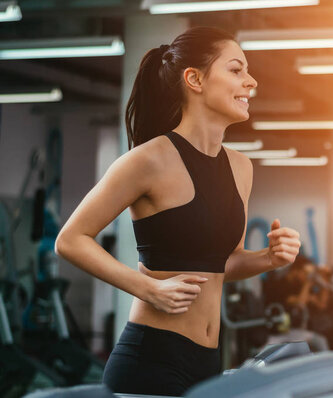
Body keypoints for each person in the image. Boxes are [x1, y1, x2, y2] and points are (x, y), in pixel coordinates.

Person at [54, 26, 301, 396]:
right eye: (236, 70)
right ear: (194, 79)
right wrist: (148, 288)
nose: (251, 82)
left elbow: (222, 263)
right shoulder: (148, 160)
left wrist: (269, 258)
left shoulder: (241, 167)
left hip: (209, 362)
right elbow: (70, 240)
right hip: (149, 361)